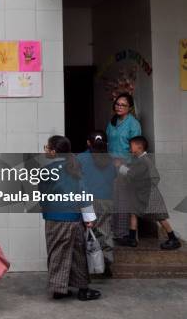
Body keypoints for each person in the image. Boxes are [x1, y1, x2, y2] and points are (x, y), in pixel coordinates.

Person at [40, 136, 100, 301]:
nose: (45, 150)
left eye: (46, 147)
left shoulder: (45, 170)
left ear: (53, 151)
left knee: (57, 253)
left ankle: (59, 289)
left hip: (53, 219)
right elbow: (83, 193)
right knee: (77, 254)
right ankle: (82, 289)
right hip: (73, 218)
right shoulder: (74, 167)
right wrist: (88, 217)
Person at [114, 136, 181, 250]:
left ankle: (173, 238)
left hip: (150, 194)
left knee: (160, 216)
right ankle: (132, 239)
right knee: (134, 212)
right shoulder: (141, 160)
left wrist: (120, 166)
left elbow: (132, 174)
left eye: (131, 145)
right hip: (143, 193)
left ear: (139, 147)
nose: (129, 148)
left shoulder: (143, 161)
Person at [77, 131, 116, 277]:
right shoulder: (111, 159)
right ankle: (106, 265)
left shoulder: (80, 158)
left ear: (88, 142)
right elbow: (113, 177)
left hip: (87, 200)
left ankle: (87, 265)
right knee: (105, 233)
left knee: (86, 233)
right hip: (106, 200)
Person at [106, 93, 142, 239]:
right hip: (111, 165)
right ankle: (115, 232)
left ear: (130, 108)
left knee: (123, 199)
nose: (119, 107)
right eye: (117, 104)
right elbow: (109, 142)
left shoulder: (133, 124)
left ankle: (125, 233)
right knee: (113, 199)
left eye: (123, 105)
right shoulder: (112, 122)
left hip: (125, 165)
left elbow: (137, 148)